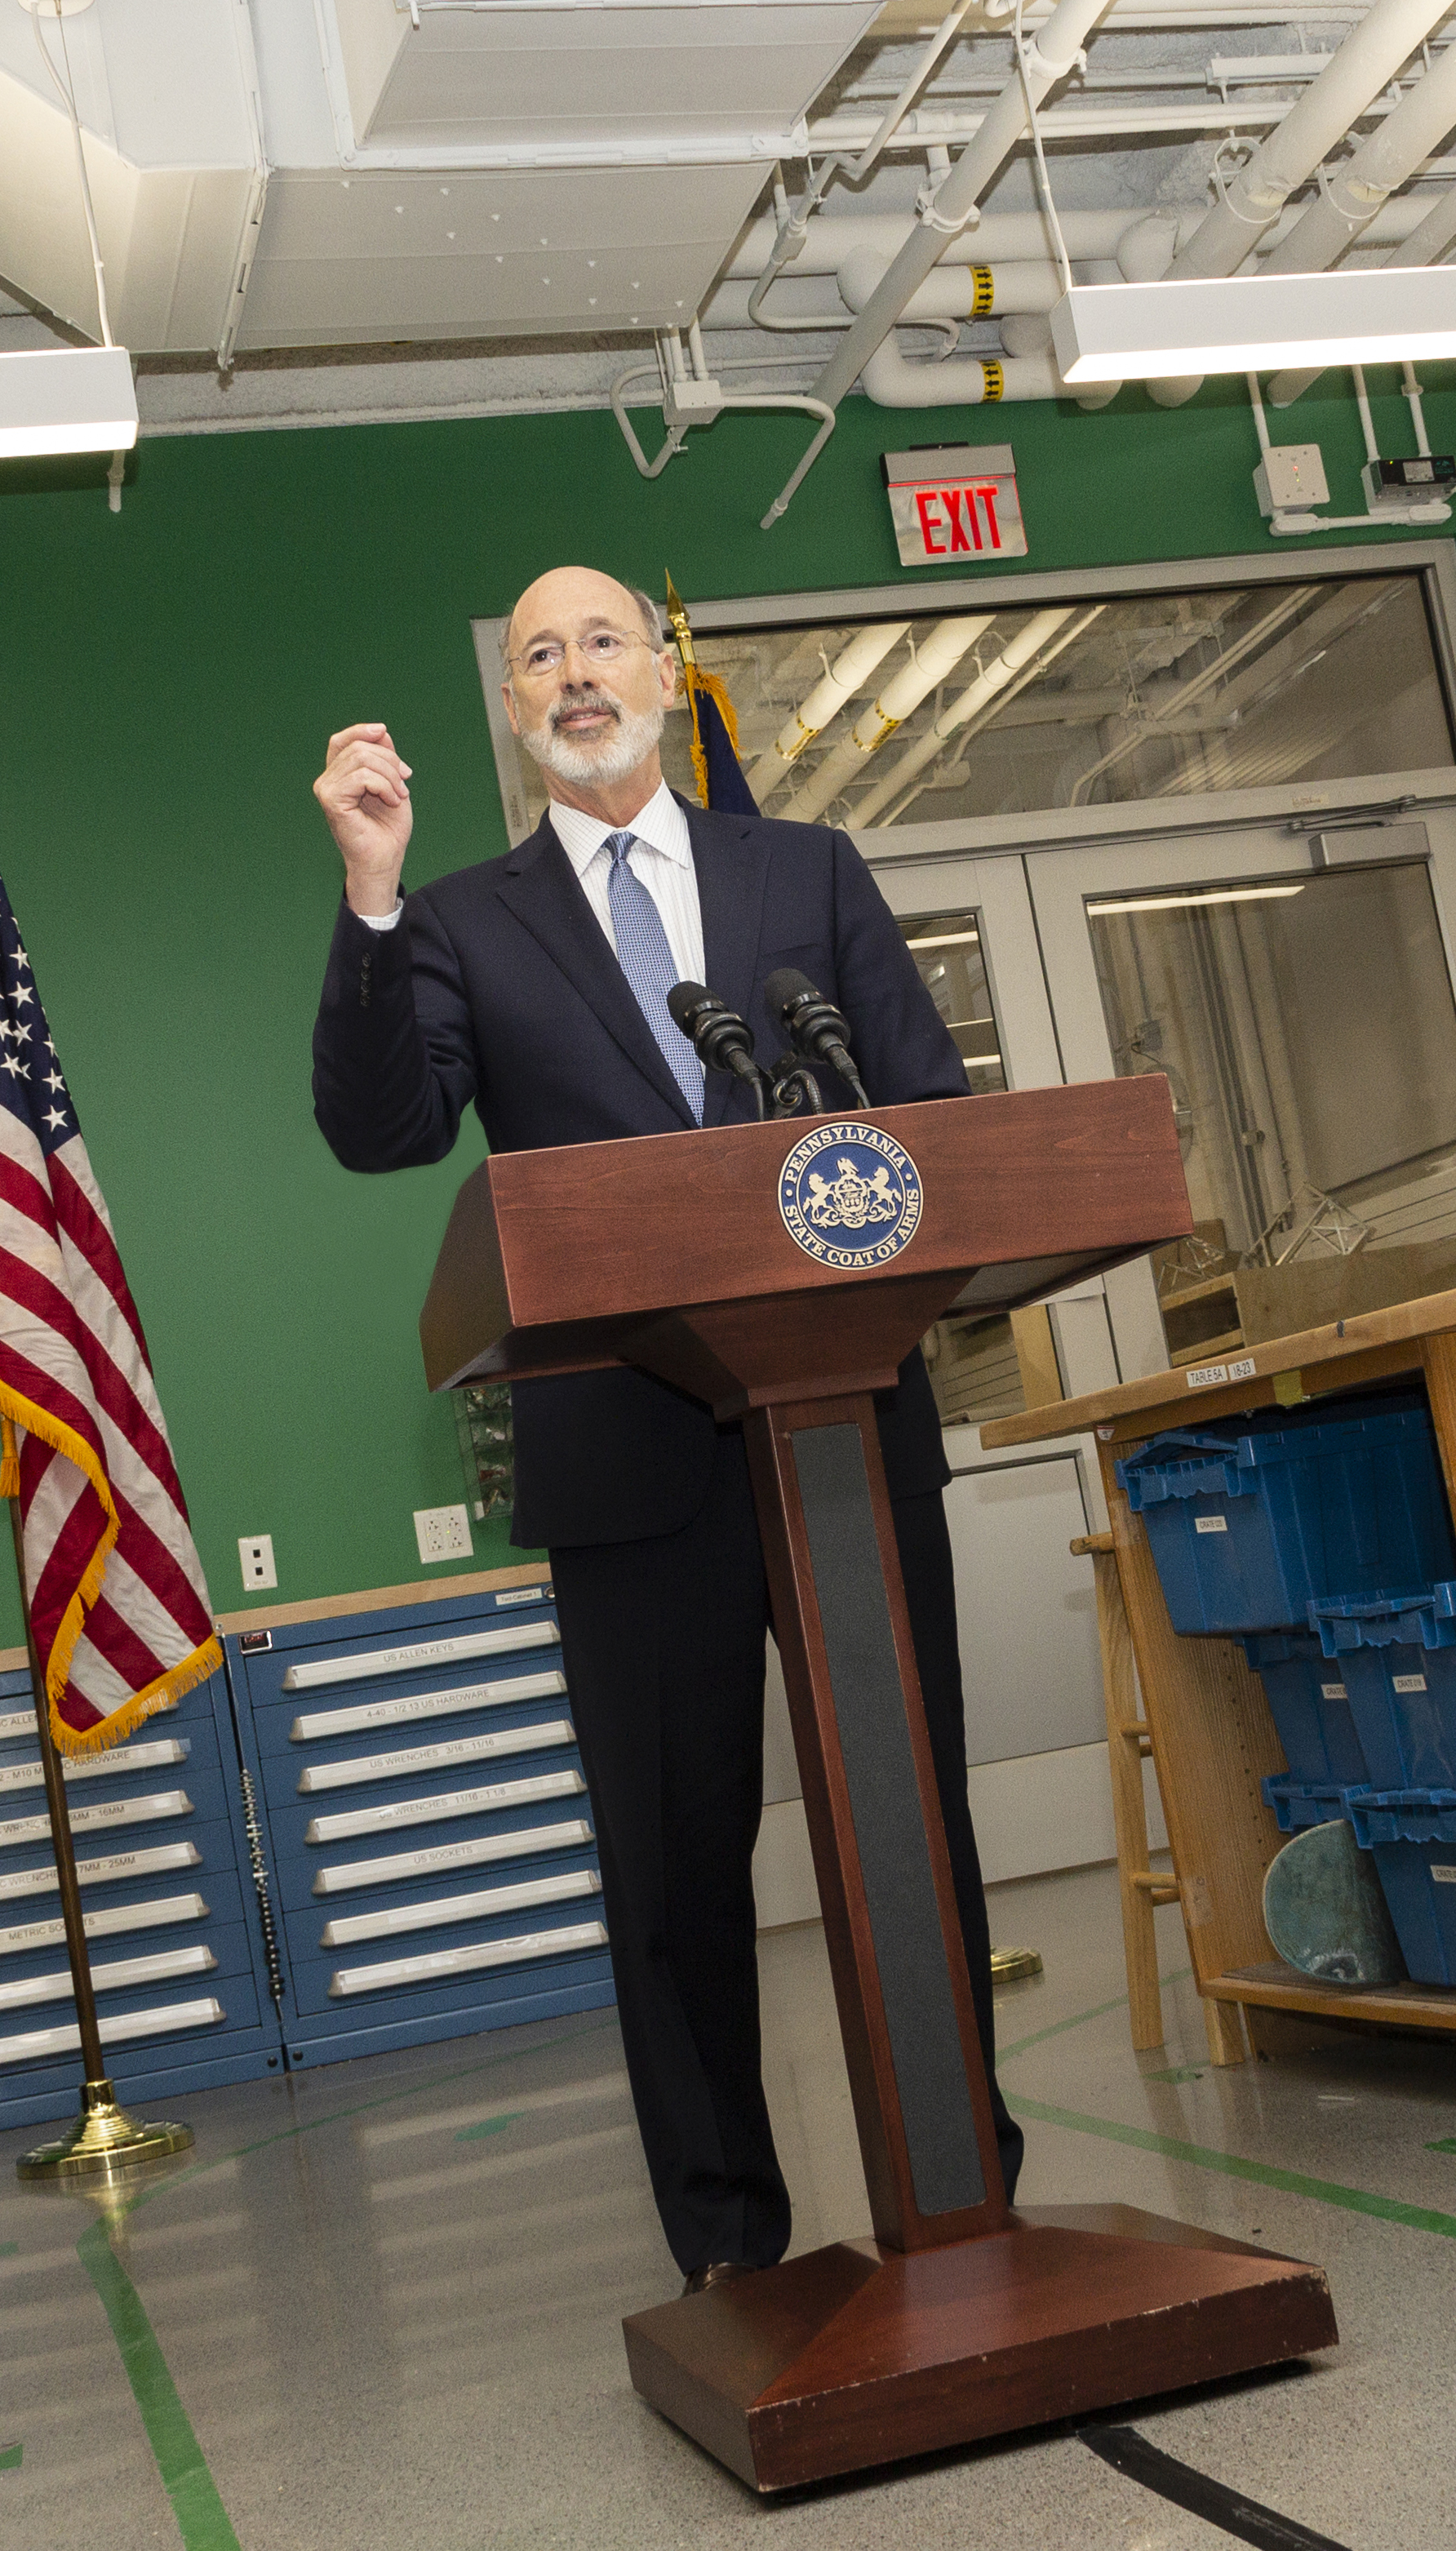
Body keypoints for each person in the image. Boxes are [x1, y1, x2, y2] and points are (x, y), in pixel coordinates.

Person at [307, 564, 1023, 2287]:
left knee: (910, 1812)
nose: (572, 672)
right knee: (675, 1861)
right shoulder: (467, 920)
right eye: (537, 652)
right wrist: (371, 894)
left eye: (599, 639)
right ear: (512, 704)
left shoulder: (806, 870)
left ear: (662, 666)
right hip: (628, 1455)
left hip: (844, 1418)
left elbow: (928, 1110)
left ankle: (963, 2187)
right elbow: (387, 1130)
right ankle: (730, 2250)